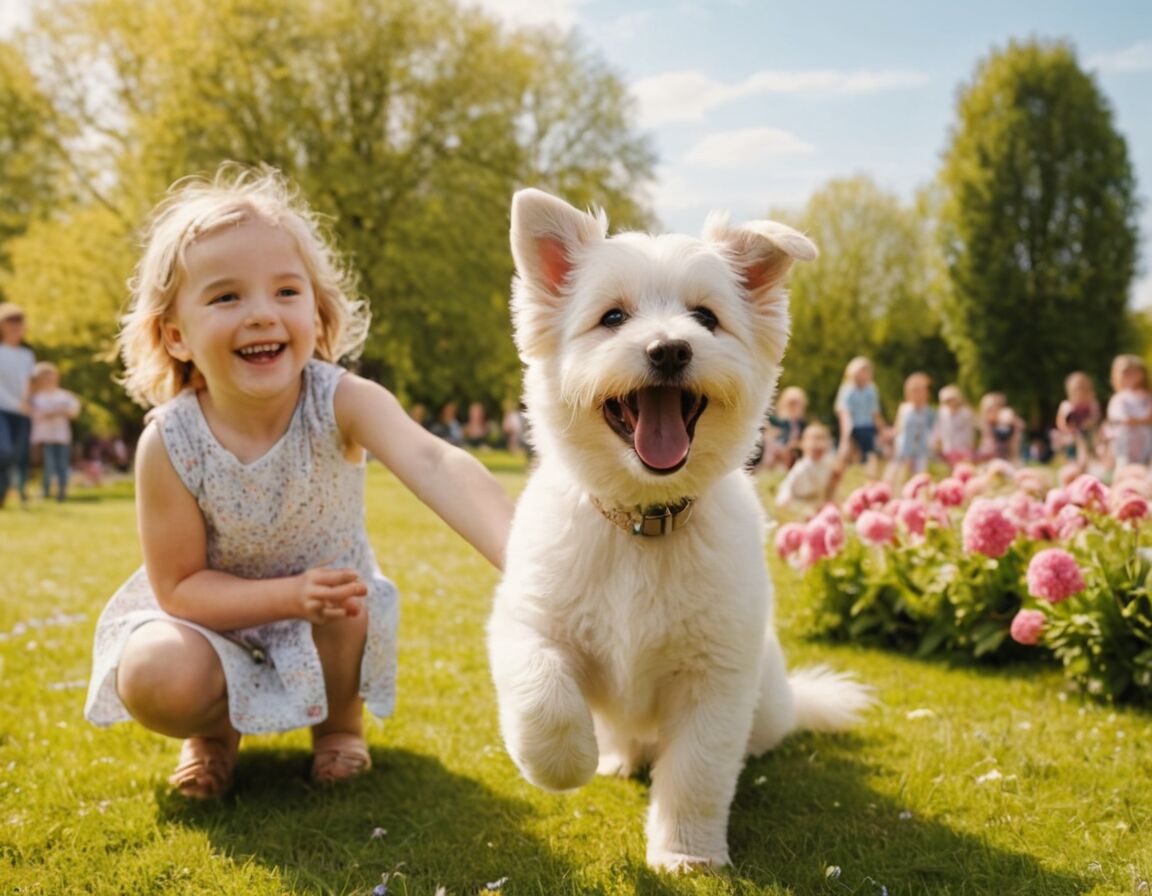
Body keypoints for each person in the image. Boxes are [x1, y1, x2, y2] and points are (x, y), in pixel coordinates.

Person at [83, 164, 514, 799]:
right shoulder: (168, 442)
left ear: (317, 311)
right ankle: (212, 733)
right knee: (152, 671)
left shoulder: (341, 400)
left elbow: (432, 461)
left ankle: (340, 727)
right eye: (227, 297)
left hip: (328, 618)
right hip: (209, 621)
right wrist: (288, 594)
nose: (261, 314)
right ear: (176, 335)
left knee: (344, 595)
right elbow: (178, 588)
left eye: (286, 292)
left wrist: (524, 557)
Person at [28, 361, 82, 502]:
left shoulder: (64, 396)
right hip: (44, 438)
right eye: (44, 377)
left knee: (62, 465)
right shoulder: (35, 397)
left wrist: (54, 411)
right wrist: (59, 410)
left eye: (50, 376)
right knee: (48, 465)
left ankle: (61, 493)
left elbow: (73, 412)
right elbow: (36, 414)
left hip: (62, 437)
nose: (48, 380)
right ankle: (45, 491)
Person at [0, 303, 36, 508]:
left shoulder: (26, 355)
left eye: (19, 323)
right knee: (3, 450)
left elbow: (28, 384)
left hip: (21, 411)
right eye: (10, 323)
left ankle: (13, 494)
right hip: (1, 410)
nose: (15, 327)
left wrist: (28, 403)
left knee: (17, 456)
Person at [834, 356, 887, 479]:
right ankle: (836, 480)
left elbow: (874, 411)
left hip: (867, 427)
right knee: (845, 455)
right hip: (853, 427)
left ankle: (872, 481)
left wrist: (882, 429)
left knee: (871, 455)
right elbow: (844, 413)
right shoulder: (847, 390)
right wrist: (845, 436)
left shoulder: (871, 389)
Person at [885, 371, 937, 485]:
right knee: (900, 478)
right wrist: (889, 438)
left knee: (919, 480)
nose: (918, 394)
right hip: (904, 451)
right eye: (915, 391)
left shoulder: (929, 412)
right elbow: (898, 429)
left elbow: (934, 432)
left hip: (921, 451)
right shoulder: (904, 409)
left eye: (922, 391)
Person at [775, 423, 839, 513]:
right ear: (804, 445)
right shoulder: (801, 467)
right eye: (813, 440)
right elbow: (788, 486)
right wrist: (785, 499)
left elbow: (830, 490)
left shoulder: (828, 465)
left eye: (822, 440)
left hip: (818, 504)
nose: (817, 445)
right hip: (800, 504)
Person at [1105, 354, 1152, 470]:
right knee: (1124, 465)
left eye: (1133, 372)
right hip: (1126, 441)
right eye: (1126, 373)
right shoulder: (1119, 398)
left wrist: (1138, 420)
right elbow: (1118, 419)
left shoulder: (1147, 396)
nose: (1130, 376)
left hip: (1146, 439)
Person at [1053, 371, 1101, 470]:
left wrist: (1089, 423)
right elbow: (1060, 421)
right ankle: (1074, 466)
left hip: (1088, 434)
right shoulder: (1066, 405)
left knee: (1090, 447)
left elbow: (1095, 417)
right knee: (1073, 450)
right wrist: (1068, 429)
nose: (1081, 392)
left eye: (1084, 388)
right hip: (1071, 436)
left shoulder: (1092, 404)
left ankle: (1087, 465)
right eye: (1078, 389)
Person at [760, 385, 808, 470]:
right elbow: (769, 441)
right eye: (791, 403)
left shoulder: (801, 425)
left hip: (791, 464)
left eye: (797, 403)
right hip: (773, 463)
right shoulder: (774, 421)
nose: (794, 407)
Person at [932, 384, 976, 468]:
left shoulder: (966, 413)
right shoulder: (942, 413)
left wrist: (971, 447)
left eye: (952, 399)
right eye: (947, 400)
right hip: (948, 448)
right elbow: (938, 429)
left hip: (963, 449)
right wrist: (935, 442)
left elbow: (970, 432)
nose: (950, 402)